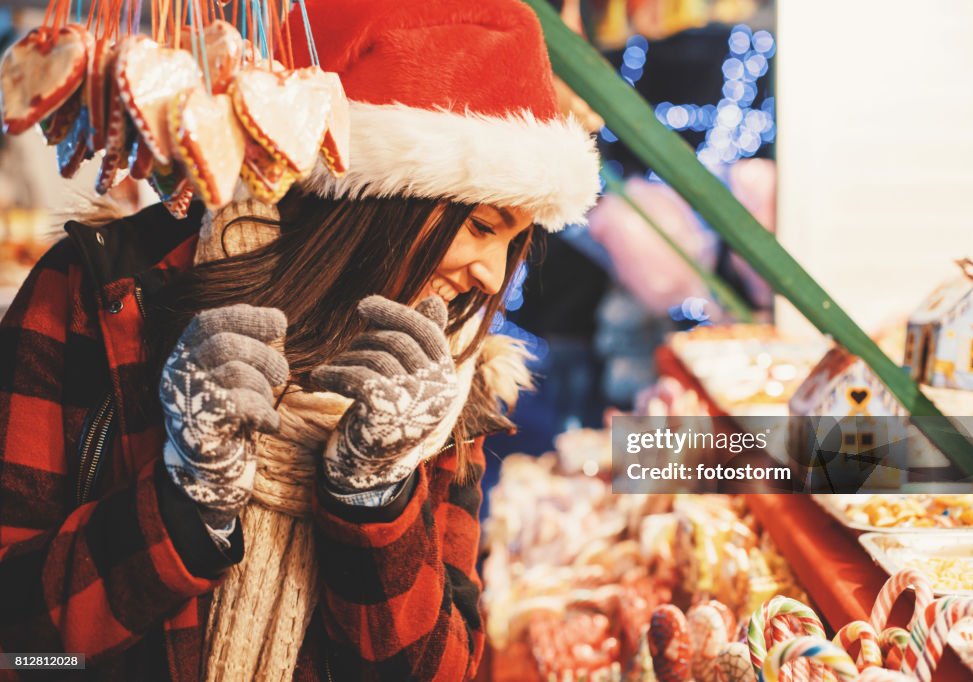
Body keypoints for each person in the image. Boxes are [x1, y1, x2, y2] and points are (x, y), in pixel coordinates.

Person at [0, 0, 599, 680]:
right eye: (484, 226)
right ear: (376, 200)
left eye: (516, 242)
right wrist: (187, 499)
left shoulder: (447, 385)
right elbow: (19, 646)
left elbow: (441, 671)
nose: (493, 277)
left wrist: (375, 495)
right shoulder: (105, 294)